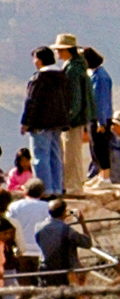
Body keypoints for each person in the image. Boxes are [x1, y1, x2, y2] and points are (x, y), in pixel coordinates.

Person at [33, 199, 87, 299]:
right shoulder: (67, 230)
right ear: (64, 212)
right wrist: (82, 223)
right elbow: (87, 242)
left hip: (46, 278)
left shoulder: (39, 228)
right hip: (66, 279)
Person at [20, 47, 64, 196]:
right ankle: (57, 188)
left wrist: (26, 122)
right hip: (58, 122)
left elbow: (32, 101)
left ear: (39, 60)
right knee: (55, 155)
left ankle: (44, 190)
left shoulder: (39, 78)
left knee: (40, 156)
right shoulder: (63, 76)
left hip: (40, 123)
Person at [54, 38, 88, 200]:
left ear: (68, 50)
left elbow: (74, 97)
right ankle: (73, 184)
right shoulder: (75, 66)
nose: (58, 53)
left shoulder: (73, 69)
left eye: (60, 50)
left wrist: (67, 118)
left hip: (73, 120)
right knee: (71, 152)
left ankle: (73, 187)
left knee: (71, 153)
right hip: (77, 118)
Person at [81, 47, 113, 183]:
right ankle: (99, 175)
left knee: (101, 148)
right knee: (94, 148)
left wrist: (101, 122)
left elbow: (101, 101)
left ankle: (105, 177)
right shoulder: (94, 74)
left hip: (100, 119)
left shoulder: (101, 77)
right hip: (93, 117)